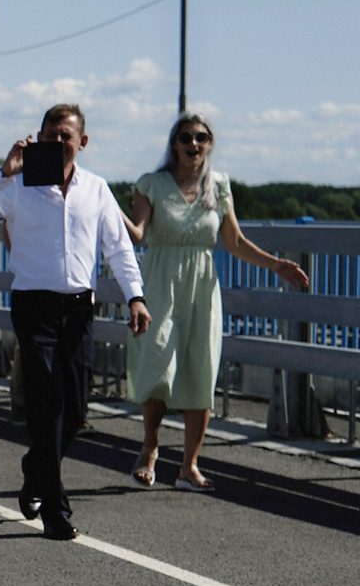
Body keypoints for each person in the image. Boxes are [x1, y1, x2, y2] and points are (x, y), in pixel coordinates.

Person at [0, 103, 149, 540]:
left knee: (77, 408)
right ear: (38, 137)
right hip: (33, 306)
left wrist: (135, 297)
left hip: (78, 308)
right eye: (50, 135)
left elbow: (118, 248)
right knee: (47, 403)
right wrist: (3, 173)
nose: (57, 142)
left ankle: (35, 468)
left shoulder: (96, 189)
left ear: (81, 142)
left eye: (66, 136)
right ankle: (55, 509)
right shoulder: (18, 185)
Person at [123, 115, 310, 489]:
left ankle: (189, 467)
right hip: (161, 284)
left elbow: (235, 242)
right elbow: (138, 235)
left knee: (201, 370)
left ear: (210, 144)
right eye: (186, 137)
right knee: (158, 366)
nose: (193, 144)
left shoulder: (219, 186)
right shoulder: (151, 185)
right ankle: (150, 447)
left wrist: (276, 265)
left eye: (201, 137)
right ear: (174, 143)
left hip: (202, 289)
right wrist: (106, 208)